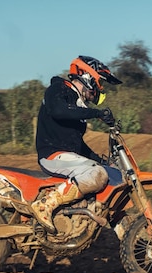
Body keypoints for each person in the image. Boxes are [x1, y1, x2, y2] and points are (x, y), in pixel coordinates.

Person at [30, 55, 122, 233]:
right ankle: (45, 205)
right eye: (100, 83)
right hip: (52, 154)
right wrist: (97, 114)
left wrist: (102, 161)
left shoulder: (77, 103)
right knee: (97, 175)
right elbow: (58, 111)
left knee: (104, 170)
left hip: (66, 156)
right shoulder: (58, 89)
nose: (100, 89)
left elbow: (76, 145)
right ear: (88, 76)